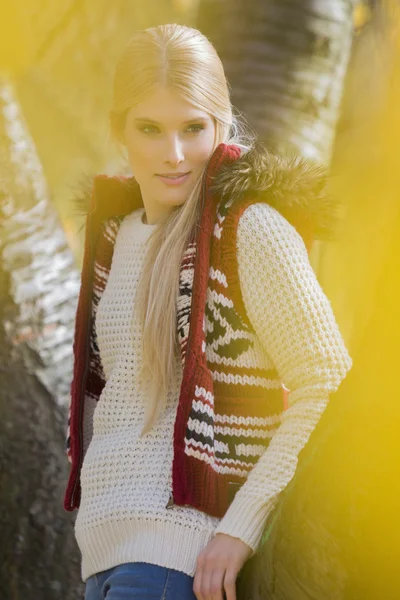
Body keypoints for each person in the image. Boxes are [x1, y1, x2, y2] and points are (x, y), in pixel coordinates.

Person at [63, 23, 352, 600]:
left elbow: (327, 380)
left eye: (193, 128)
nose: (173, 154)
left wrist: (241, 530)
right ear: (121, 132)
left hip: (183, 561)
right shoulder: (114, 241)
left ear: (220, 125)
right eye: (150, 129)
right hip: (103, 557)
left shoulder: (250, 230)